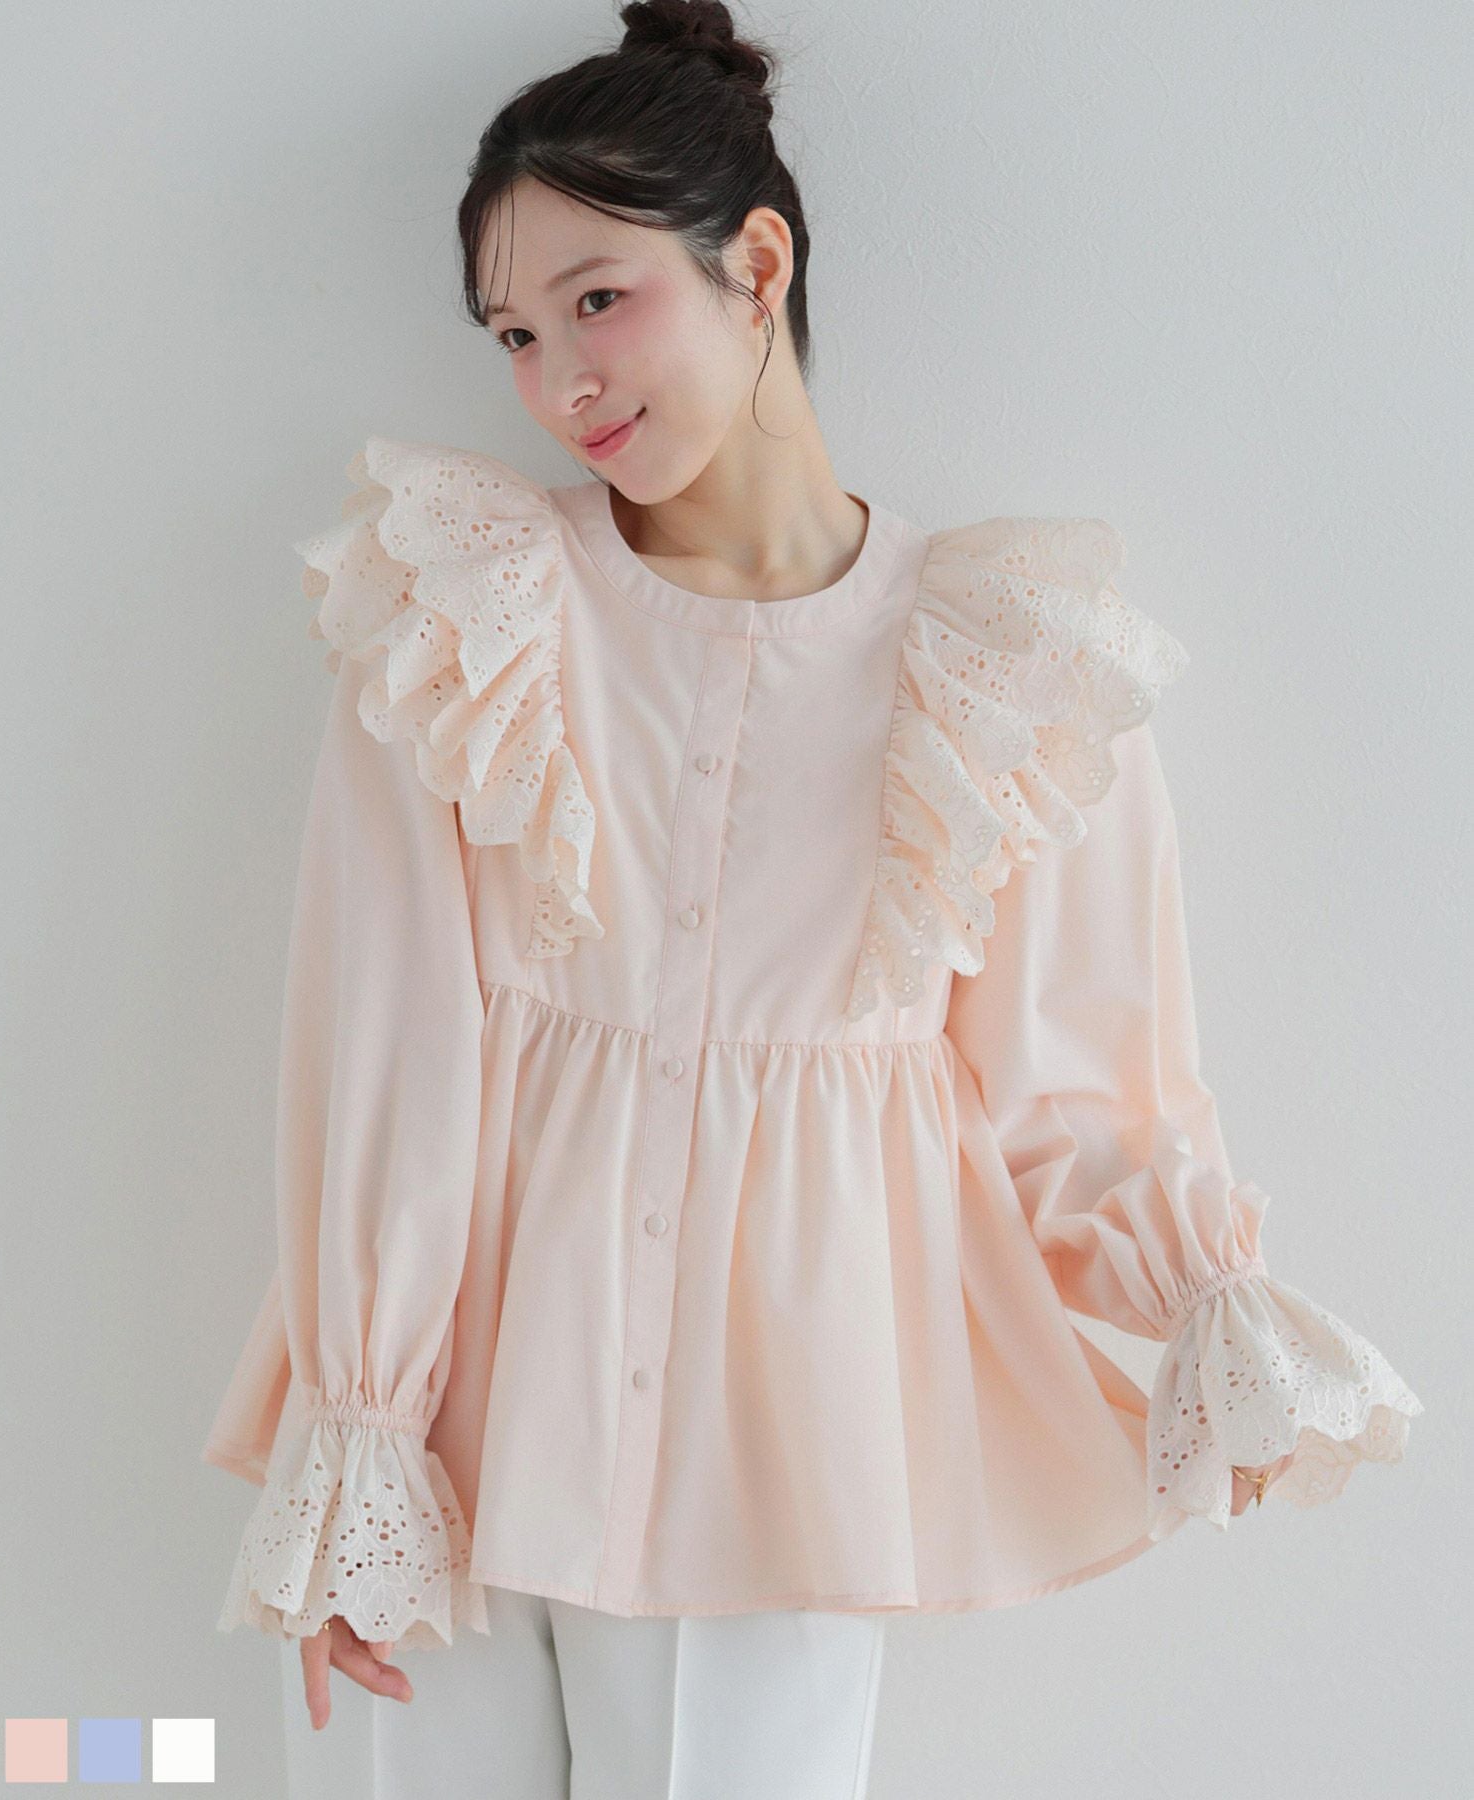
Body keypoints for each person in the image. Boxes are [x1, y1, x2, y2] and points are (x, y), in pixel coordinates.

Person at [200, 2, 1425, 1794]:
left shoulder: (1000, 666)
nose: (558, 383)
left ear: (756, 264)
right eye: (516, 334)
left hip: (778, 1451)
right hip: (447, 1429)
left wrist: (1207, 1320)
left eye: (599, 300)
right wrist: (362, 1421)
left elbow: (1076, 1084)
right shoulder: (474, 610)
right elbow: (379, 1040)